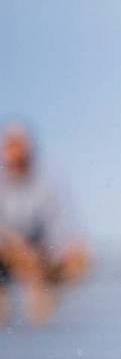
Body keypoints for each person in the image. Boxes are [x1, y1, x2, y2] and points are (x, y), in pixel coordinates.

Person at [0, 121, 89, 325]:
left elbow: (63, 226)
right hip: (6, 255)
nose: (14, 154)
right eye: (9, 146)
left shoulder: (47, 182)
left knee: (79, 260)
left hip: (38, 258)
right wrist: (15, 250)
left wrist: (58, 256)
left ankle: (45, 298)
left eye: (19, 146)